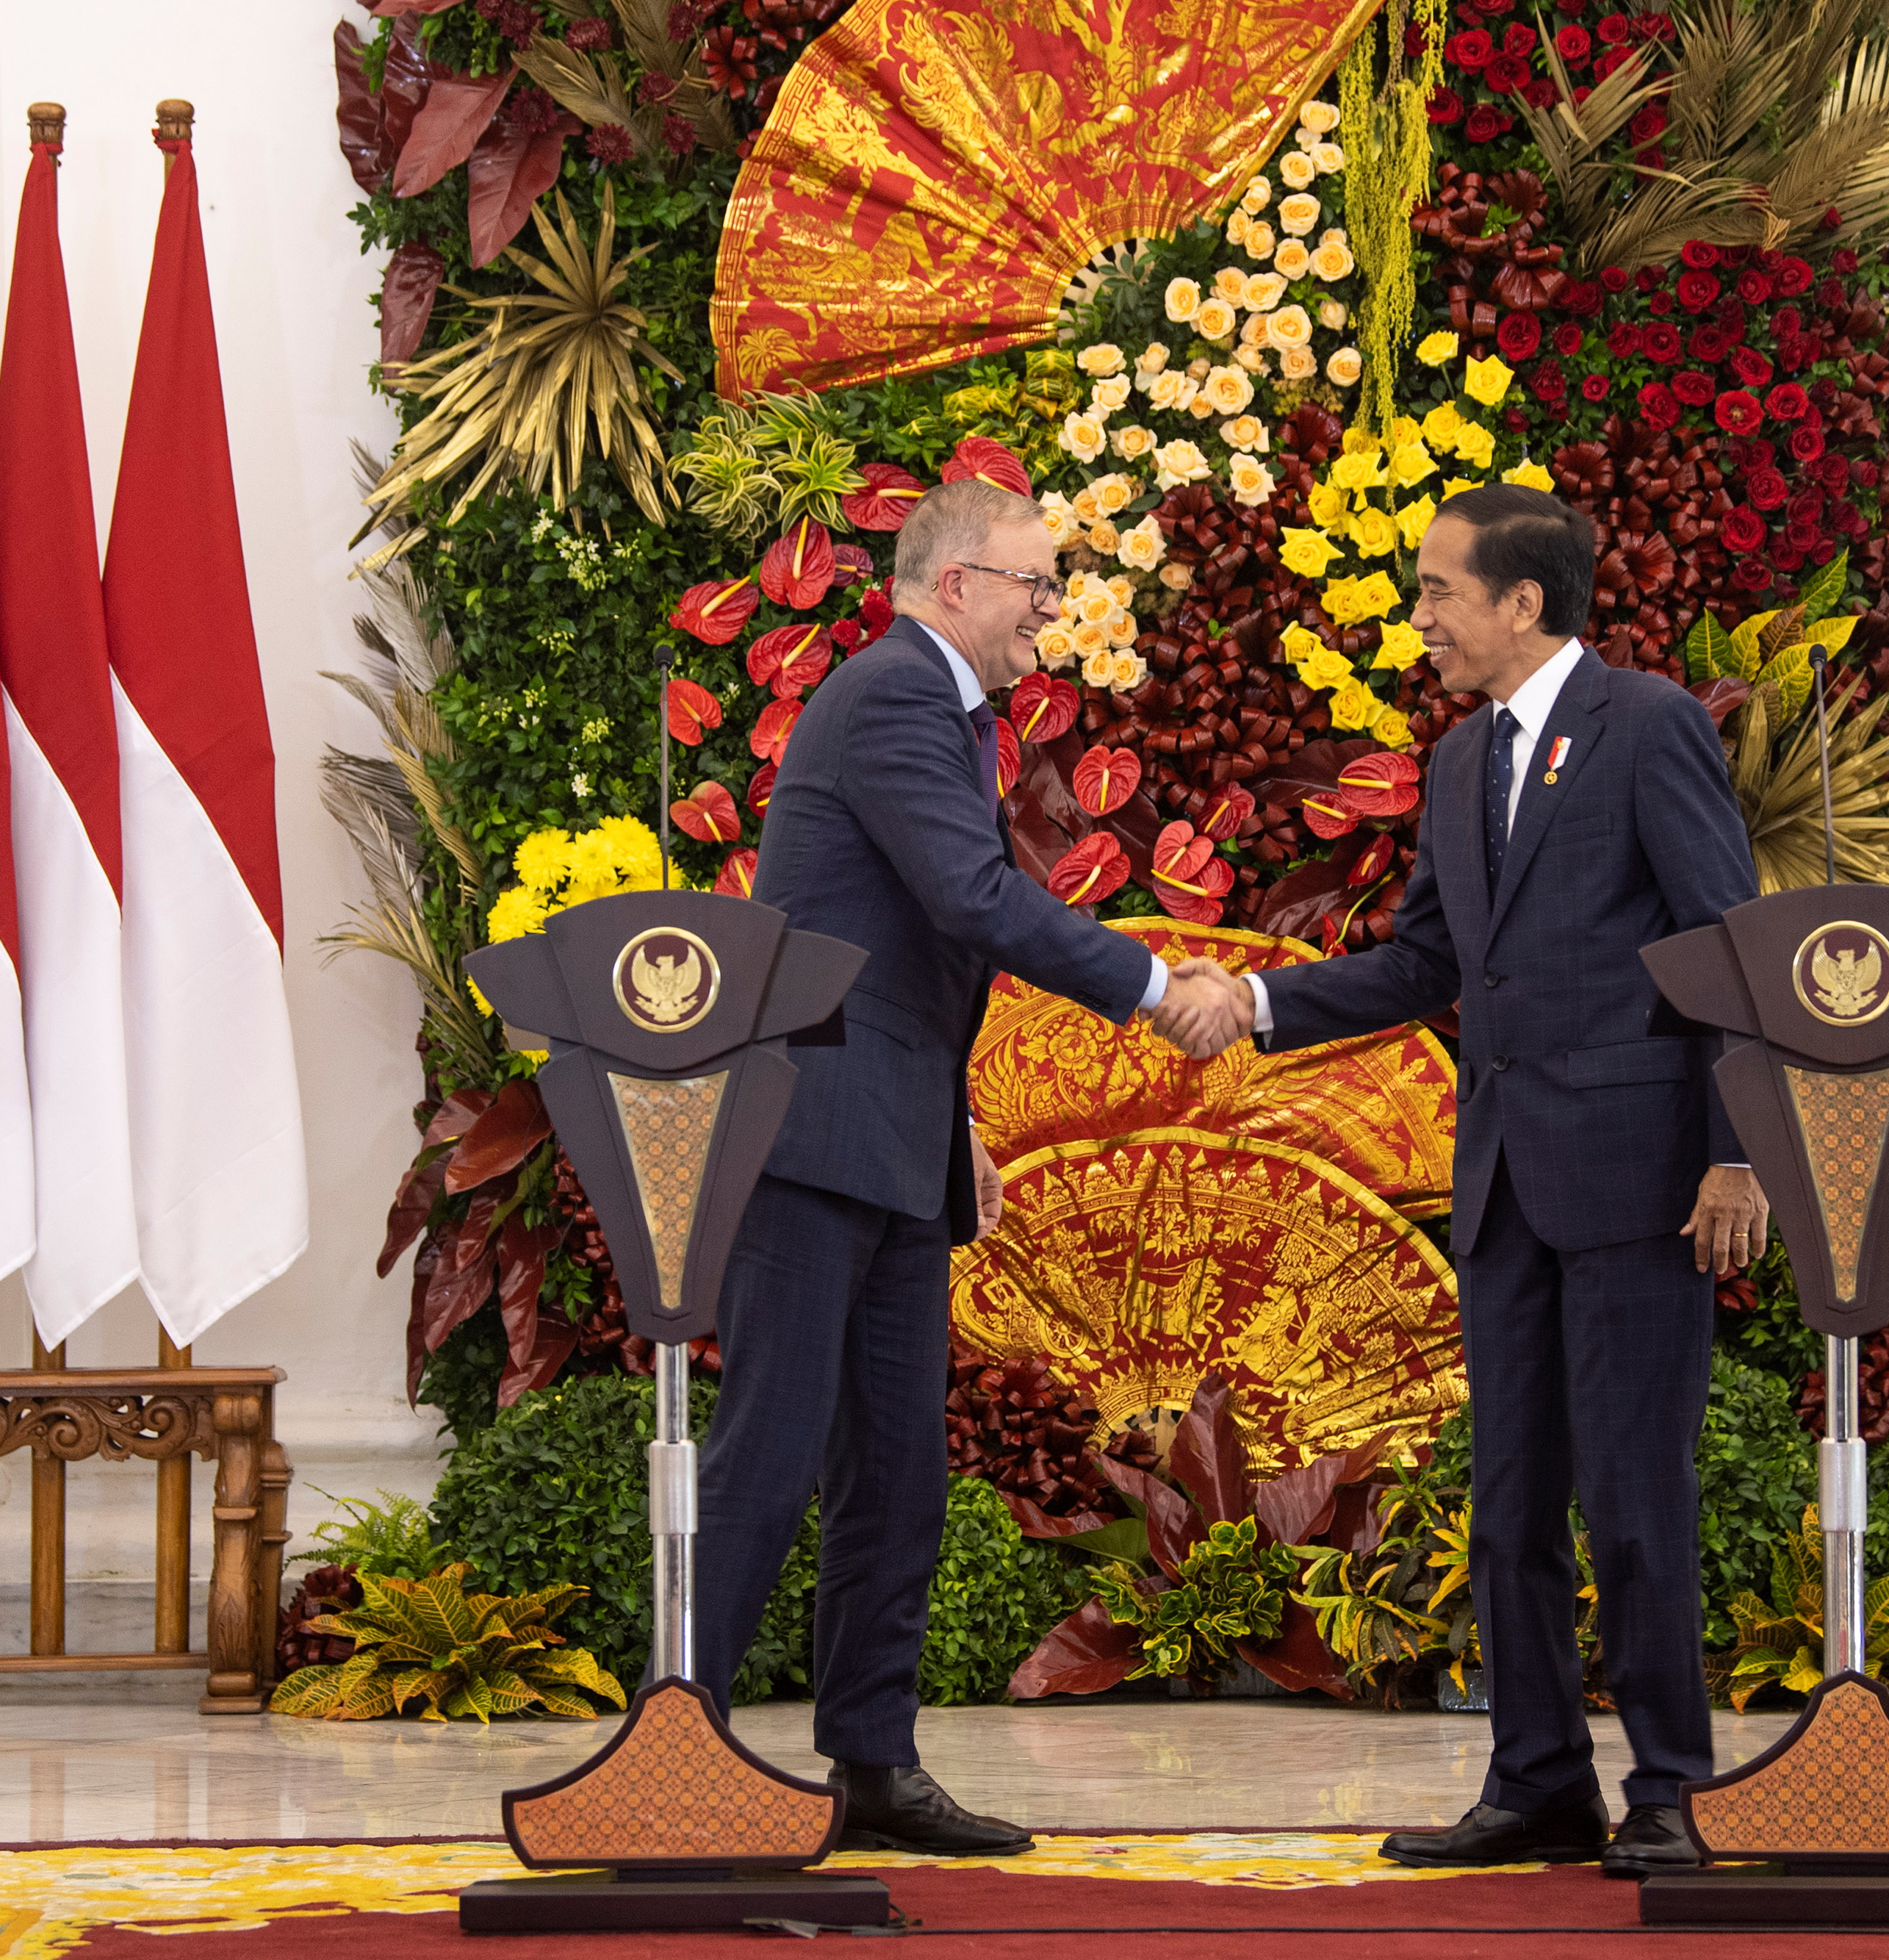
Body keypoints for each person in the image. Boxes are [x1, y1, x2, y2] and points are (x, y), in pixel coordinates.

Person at [1156, 484, 1766, 1881]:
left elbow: (1728, 945)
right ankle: (1539, 1781)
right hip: (1501, 1185)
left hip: (1640, 1181)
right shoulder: (1457, 761)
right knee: (1510, 1505)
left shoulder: (1649, 727)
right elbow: (1428, 964)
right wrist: (1250, 1003)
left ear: (1522, 604)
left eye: (1437, 591)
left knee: (1632, 1499)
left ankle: (1671, 1786)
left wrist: (1737, 1152)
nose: (1419, 616)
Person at [694, 478, 1238, 1856]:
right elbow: (969, 901)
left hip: (885, 1131)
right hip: (817, 1135)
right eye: (1032, 586)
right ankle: (677, 1741)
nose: (1047, 616)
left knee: (898, 1470)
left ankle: (870, 1767)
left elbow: (905, 946)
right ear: (952, 584)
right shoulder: (892, 694)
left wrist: (953, 1123)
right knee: (766, 1454)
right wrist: (1154, 980)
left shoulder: (939, 708)